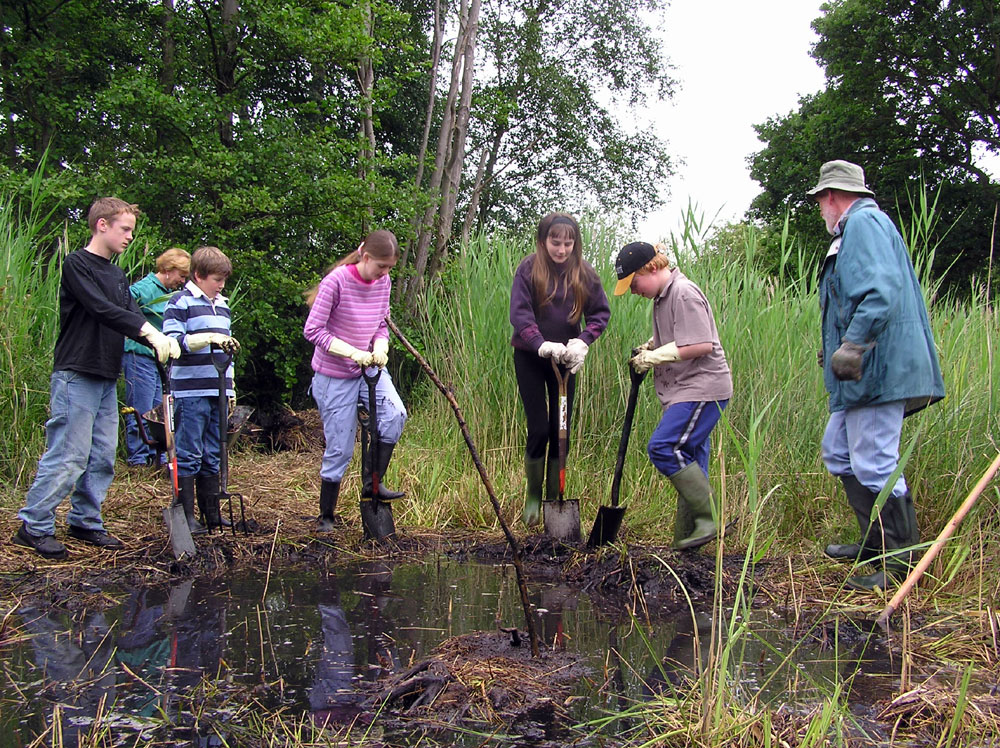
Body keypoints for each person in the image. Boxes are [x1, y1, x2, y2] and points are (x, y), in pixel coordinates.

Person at [12, 197, 181, 559]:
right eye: (125, 229)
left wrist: (164, 339)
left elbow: (131, 313)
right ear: (101, 225)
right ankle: (34, 525)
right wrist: (145, 331)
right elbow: (101, 309)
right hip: (76, 371)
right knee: (70, 453)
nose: (130, 237)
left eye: (132, 232)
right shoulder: (77, 265)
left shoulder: (117, 275)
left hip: (106, 374)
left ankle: (85, 520)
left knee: (102, 454)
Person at [807, 160, 944, 591]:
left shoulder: (864, 224)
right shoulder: (859, 229)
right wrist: (838, 346)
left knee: (874, 460)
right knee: (838, 451)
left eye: (820, 202)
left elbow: (879, 291)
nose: (821, 210)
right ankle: (875, 543)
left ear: (832, 196)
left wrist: (853, 344)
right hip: (864, 370)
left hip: (878, 368)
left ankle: (900, 565)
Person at [613, 241, 732, 550]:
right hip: (686, 389)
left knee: (664, 447)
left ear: (650, 268)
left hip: (702, 388)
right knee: (689, 456)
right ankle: (689, 541)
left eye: (633, 283)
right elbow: (681, 332)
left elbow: (701, 344)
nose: (634, 290)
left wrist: (655, 358)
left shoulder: (683, 292)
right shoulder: (663, 298)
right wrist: (652, 345)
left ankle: (711, 519)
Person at [509, 212, 610, 527]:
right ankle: (533, 497)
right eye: (555, 242)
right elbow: (519, 312)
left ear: (575, 244)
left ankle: (555, 498)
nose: (562, 249)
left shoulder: (585, 273)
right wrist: (539, 343)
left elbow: (599, 314)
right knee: (539, 428)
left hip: (566, 361)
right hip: (531, 356)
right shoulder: (528, 269)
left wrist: (582, 342)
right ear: (543, 241)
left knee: (560, 430)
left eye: (568, 243)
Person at [303, 230, 408, 531]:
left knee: (394, 415)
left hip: (369, 367)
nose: (385, 274)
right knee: (341, 448)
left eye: (390, 268)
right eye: (381, 267)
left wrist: (380, 345)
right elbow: (313, 330)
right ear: (365, 258)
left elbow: (381, 323)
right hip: (334, 374)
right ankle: (326, 516)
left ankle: (372, 486)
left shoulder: (383, 282)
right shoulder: (336, 282)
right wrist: (350, 352)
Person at [162, 246, 240, 534]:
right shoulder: (179, 302)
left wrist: (230, 390)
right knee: (190, 452)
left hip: (217, 388)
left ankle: (212, 514)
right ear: (198, 275)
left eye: (223, 280)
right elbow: (173, 343)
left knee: (213, 452)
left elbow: (226, 354)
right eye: (216, 279)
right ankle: (185, 516)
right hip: (190, 390)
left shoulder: (223, 305)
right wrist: (207, 338)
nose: (221, 285)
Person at [122, 248, 191, 467]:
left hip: (157, 358)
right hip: (138, 354)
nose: (181, 281)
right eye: (181, 276)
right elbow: (122, 304)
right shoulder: (146, 288)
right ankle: (138, 459)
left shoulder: (169, 293)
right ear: (169, 270)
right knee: (141, 409)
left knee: (157, 411)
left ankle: (158, 455)